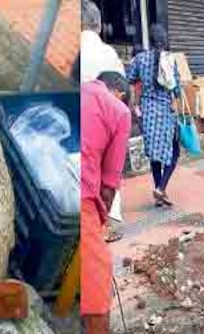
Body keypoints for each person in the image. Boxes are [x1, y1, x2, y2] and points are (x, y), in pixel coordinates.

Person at [81, 68, 136, 334]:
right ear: (119, 92)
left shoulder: (82, 91)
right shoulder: (117, 111)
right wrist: (98, 226)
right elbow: (109, 184)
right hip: (81, 203)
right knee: (97, 312)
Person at [79, 0, 126, 243]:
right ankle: (106, 222)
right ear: (98, 26)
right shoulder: (108, 53)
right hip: (105, 126)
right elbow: (121, 92)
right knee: (109, 172)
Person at [127, 24, 180, 207]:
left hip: (148, 112)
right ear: (165, 41)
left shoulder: (139, 59)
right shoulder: (170, 60)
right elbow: (177, 90)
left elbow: (130, 78)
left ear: (150, 41)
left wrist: (135, 102)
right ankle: (161, 187)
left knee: (154, 155)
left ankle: (159, 189)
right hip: (165, 112)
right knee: (174, 151)